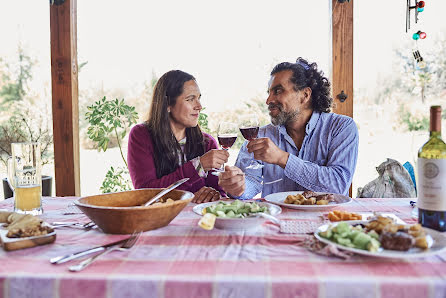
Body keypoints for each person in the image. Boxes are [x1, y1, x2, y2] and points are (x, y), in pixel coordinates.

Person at [218, 57, 359, 198]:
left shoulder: (341, 127)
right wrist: (238, 188)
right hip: (275, 219)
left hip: (327, 219)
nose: (268, 100)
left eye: (278, 91)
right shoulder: (261, 136)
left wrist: (282, 158)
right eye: (269, 93)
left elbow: (338, 185)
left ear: (305, 95)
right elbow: (250, 181)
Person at [127, 70, 229, 203]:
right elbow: (146, 193)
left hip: (197, 220)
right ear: (168, 104)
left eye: (199, 98)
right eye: (190, 99)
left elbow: (219, 194)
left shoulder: (207, 143)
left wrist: (214, 194)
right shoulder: (141, 135)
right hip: (161, 220)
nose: (199, 106)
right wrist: (198, 166)